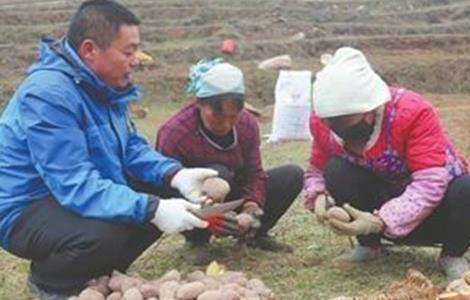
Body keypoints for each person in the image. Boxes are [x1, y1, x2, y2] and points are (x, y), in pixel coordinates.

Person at [0, 1, 218, 298]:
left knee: (165, 194)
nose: (135, 60)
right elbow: (73, 183)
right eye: (128, 52)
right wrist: (152, 208)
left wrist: (175, 175)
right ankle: (50, 280)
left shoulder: (104, 85)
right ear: (90, 50)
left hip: (68, 192)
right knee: (109, 230)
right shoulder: (47, 95)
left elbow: (129, 148)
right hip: (25, 205)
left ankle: (102, 271)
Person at [304, 47, 470, 280]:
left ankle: (452, 253)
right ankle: (369, 246)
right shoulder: (323, 122)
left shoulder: (413, 112)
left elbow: (430, 183)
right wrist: (318, 195)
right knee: (336, 169)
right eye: (333, 123)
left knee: (467, 187)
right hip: (381, 205)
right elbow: (316, 169)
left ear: (370, 111)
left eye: (347, 122)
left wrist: (382, 221)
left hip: (438, 212)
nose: (339, 129)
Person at [156, 58, 304, 264]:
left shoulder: (247, 124)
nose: (226, 124)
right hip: (195, 202)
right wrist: (206, 213)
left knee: (292, 175)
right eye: (217, 117)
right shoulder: (174, 132)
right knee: (217, 175)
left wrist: (250, 209)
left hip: (235, 195)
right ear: (199, 103)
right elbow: (165, 185)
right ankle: (198, 240)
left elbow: (255, 173)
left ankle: (254, 234)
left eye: (233, 116)